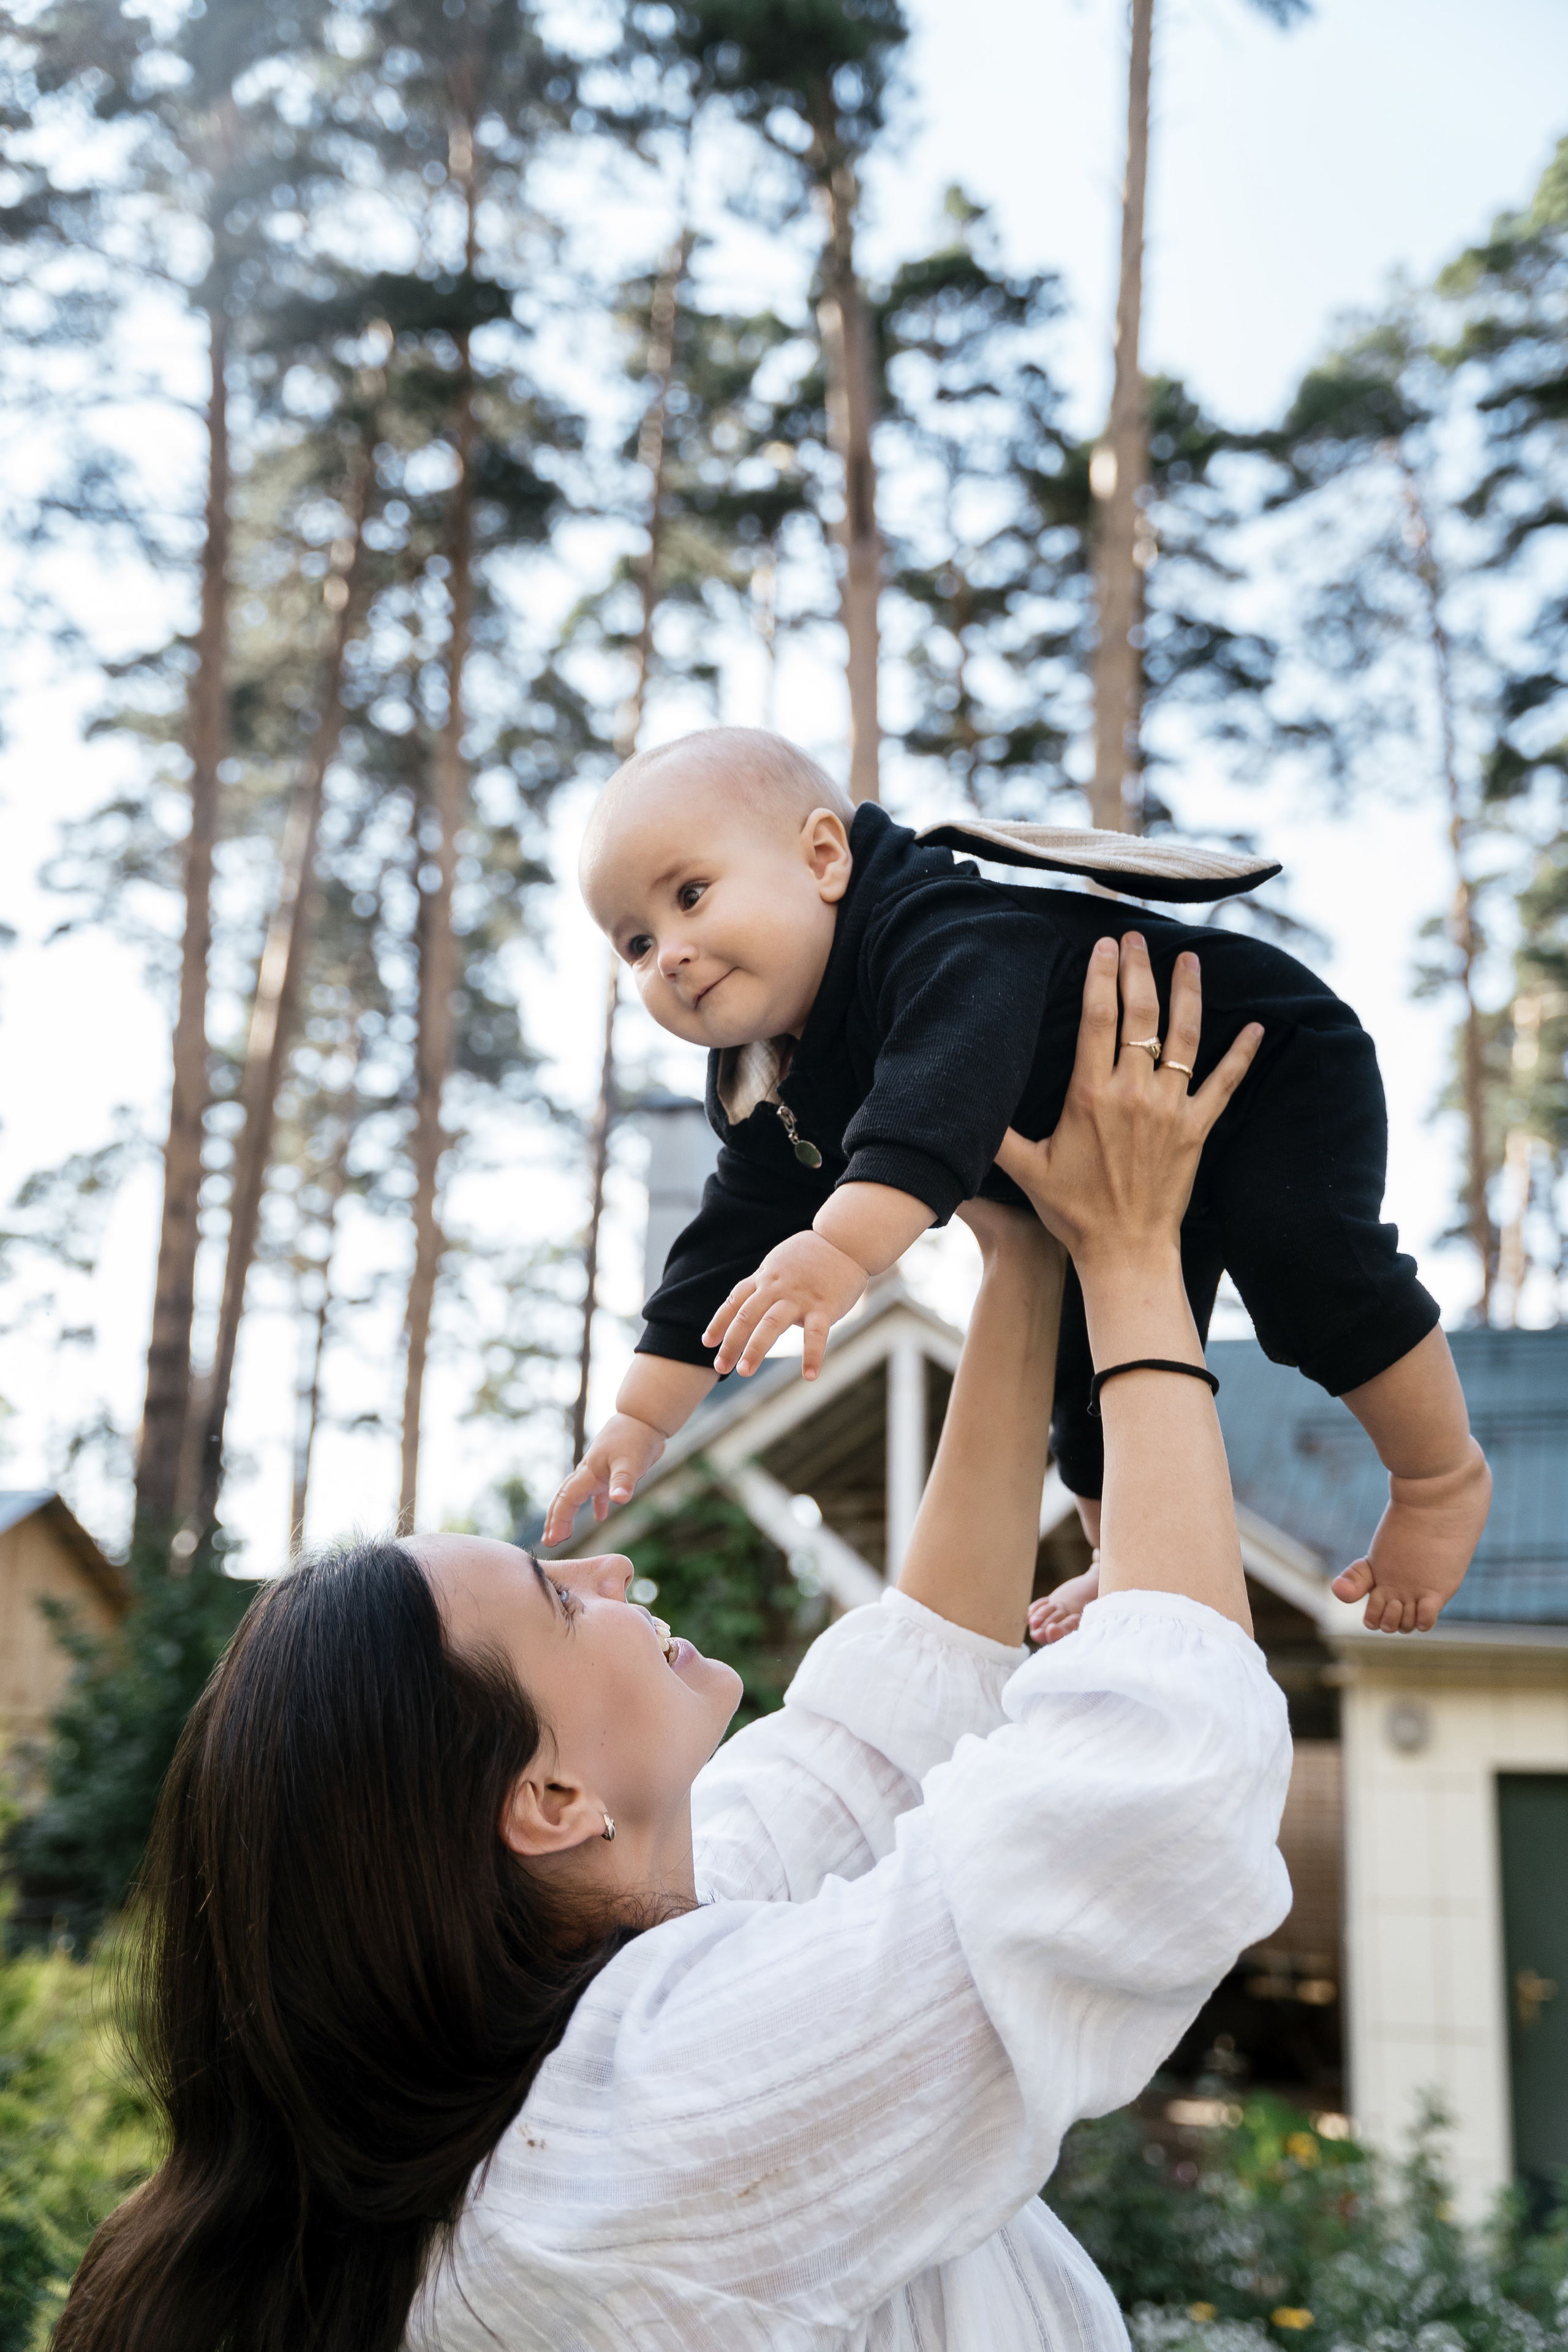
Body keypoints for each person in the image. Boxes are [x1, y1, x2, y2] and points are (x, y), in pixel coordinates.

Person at [58, 937, 1289, 2352]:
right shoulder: (639, 2129)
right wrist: (1134, 1260)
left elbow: (874, 1742)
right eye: (560, 1600)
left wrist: (1019, 1251)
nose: (612, 1565)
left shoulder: (620, 1970)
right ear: (550, 1802)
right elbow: (1152, 1791)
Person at [548, 726, 1491, 1638]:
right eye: (633, 943)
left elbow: (945, 1076)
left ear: (826, 857)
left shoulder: (930, 927)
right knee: (1086, 1380)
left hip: (1258, 1065)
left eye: (693, 894)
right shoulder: (776, 1083)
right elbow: (727, 1238)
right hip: (1103, 1170)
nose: (666, 953)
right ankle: (1124, 1553)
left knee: (1306, 1266)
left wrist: (840, 1246)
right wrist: (641, 1420)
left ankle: (1438, 1479)